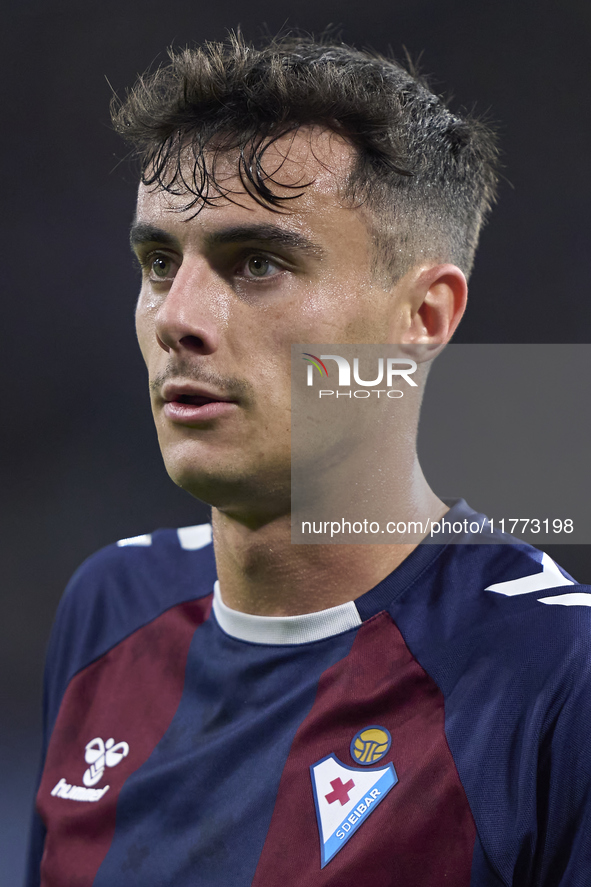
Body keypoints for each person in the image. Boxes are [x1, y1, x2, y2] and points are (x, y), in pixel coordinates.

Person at [26, 34, 591, 887]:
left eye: (257, 262)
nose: (177, 317)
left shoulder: (555, 668)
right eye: (157, 261)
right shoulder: (108, 608)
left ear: (425, 317)